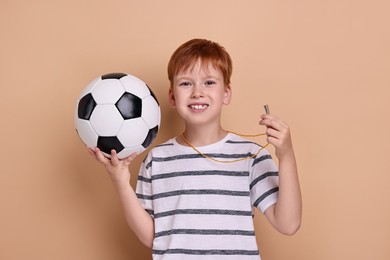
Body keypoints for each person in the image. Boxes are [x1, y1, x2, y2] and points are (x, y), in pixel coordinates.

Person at [89, 38, 302, 259]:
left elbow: (288, 224)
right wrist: (120, 181)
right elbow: (151, 237)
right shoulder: (157, 159)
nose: (197, 92)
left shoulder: (251, 155)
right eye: (185, 83)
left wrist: (286, 155)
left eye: (209, 82)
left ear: (226, 93)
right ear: (172, 96)